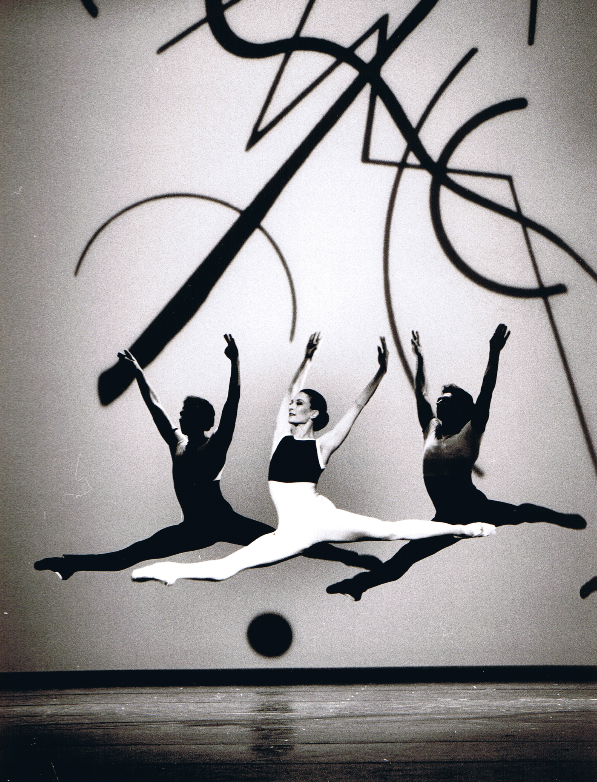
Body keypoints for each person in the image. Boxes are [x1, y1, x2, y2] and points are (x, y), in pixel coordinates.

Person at [131, 334, 495, 585]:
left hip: (323, 518)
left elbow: (356, 406)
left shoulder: (322, 446)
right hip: (291, 531)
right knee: (228, 567)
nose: (292, 406)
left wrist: (381, 372)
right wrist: (307, 358)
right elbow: (289, 390)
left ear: (315, 413)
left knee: (390, 530)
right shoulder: (280, 436)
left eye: (300, 404)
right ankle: (172, 571)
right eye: (292, 404)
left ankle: (465, 528)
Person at [35, 336, 379, 580]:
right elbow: (155, 406)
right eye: (181, 413)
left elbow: (232, 405)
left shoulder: (215, 447)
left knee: (291, 542)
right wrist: (138, 372)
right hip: (192, 528)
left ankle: (352, 558)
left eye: (186, 414)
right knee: (131, 554)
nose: (180, 416)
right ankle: (71, 564)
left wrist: (235, 363)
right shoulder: (177, 443)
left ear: (201, 421)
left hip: (224, 521)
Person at [327, 324, 586, 601]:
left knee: (520, 513)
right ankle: (359, 585)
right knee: (403, 560)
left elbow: (486, 391)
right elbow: (421, 394)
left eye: (446, 401)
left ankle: (561, 518)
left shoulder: (470, 431)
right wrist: (420, 358)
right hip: (446, 519)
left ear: (461, 409)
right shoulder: (430, 428)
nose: (439, 403)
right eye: (439, 400)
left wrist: (494, 352)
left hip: (474, 506)